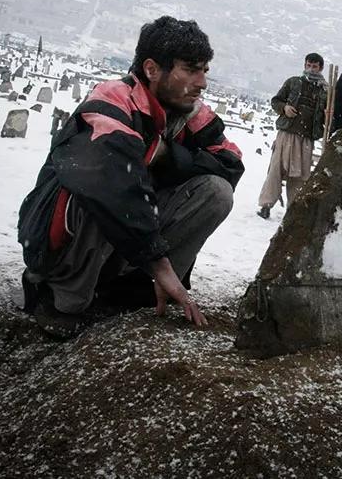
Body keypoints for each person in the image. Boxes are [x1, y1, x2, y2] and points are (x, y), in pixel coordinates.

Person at [17, 17, 244, 338]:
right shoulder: (112, 100)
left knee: (215, 191)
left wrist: (167, 157)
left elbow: (231, 163)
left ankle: (137, 291)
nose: (202, 82)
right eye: (191, 69)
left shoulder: (190, 112)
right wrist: (160, 263)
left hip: (133, 240)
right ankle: (59, 295)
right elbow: (111, 181)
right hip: (63, 242)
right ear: (152, 70)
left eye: (205, 70)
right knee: (104, 188)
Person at [256, 53, 328, 219]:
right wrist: (285, 108)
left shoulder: (325, 91)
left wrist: (327, 113)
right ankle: (266, 205)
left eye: (314, 66)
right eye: (308, 65)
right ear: (304, 65)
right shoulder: (293, 82)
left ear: (320, 68)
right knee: (276, 170)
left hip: (307, 139)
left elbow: (327, 116)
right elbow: (276, 101)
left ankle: (293, 212)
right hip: (286, 134)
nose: (310, 69)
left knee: (300, 176)